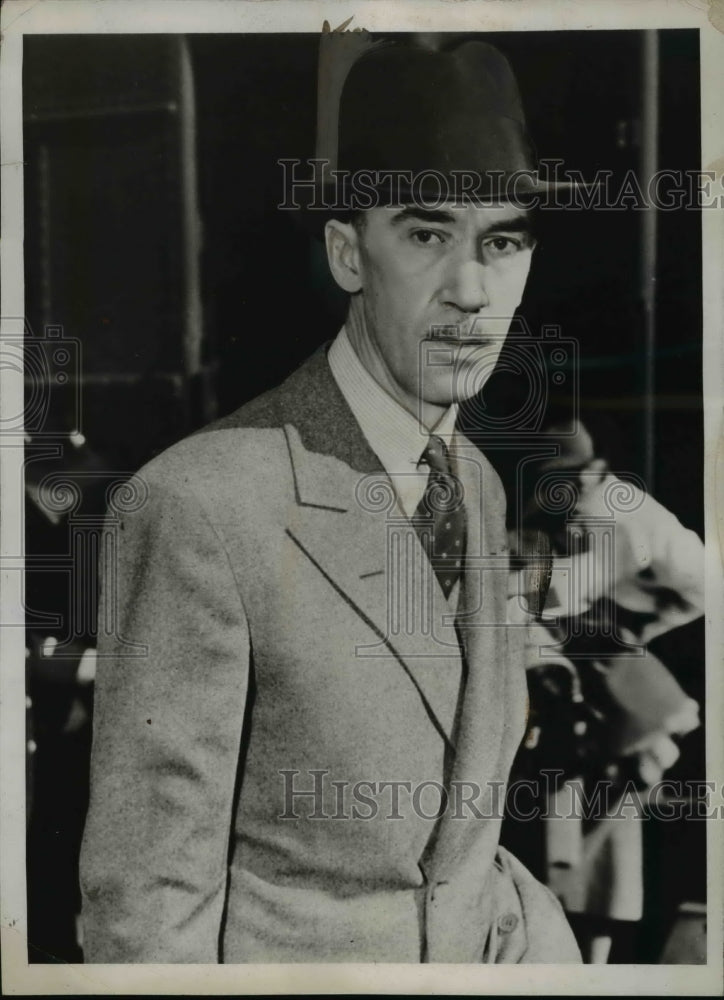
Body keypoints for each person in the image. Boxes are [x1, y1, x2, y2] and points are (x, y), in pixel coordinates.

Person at [79, 37, 699, 964]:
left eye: (504, 240)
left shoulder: (479, 488)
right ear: (347, 252)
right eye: (426, 232)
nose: (471, 290)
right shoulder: (199, 504)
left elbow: (460, 859)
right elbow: (147, 920)